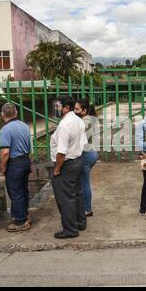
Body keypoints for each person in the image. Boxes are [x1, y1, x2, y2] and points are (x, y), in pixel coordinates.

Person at [50, 95, 87, 239]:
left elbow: (61, 153)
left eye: (58, 106)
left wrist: (57, 169)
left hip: (66, 165)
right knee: (77, 194)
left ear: (66, 108)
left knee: (65, 198)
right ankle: (80, 222)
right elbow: (82, 143)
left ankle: (70, 230)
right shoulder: (78, 120)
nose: (56, 109)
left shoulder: (65, 125)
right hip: (78, 160)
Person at [0, 103, 32, 232]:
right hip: (25, 160)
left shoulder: (6, 129)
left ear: (2, 115)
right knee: (23, 190)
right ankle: (25, 215)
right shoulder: (24, 125)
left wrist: (3, 166)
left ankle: (21, 221)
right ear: (16, 113)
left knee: (15, 192)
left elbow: (5, 152)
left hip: (15, 163)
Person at [74, 99, 98, 217]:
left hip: (87, 154)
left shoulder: (85, 121)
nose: (74, 111)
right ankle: (85, 207)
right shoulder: (87, 119)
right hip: (91, 153)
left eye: (77, 109)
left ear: (84, 111)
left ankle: (87, 209)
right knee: (84, 182)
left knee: (84, 183)